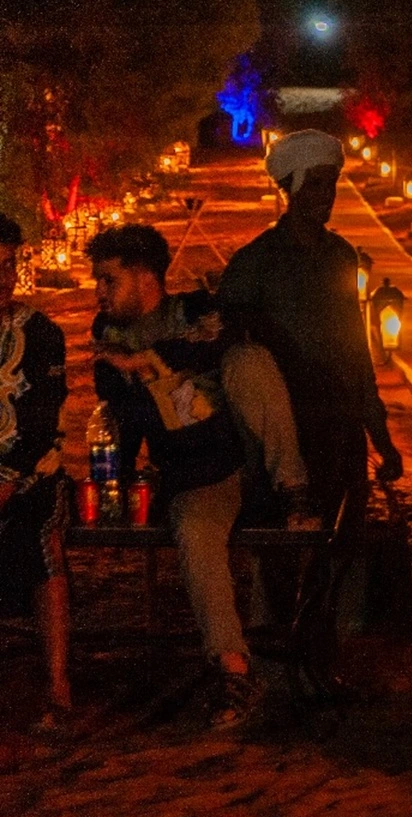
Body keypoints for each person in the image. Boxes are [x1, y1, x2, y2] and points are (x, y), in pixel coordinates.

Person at [88, 225, 272, 723]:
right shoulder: (108, 334)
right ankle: (234, 666)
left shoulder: (195, 313)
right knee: (194, 530)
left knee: (249, 364)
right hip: (193, 473)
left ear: (146, 276)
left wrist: (143, 362)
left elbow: (219, 342)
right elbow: (120, 413)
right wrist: (115, 486)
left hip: (244, 457)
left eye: (108, 279)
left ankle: (292, 491)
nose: (99, 292)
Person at [219, 130, 402, 525]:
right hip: (286, 427)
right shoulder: (253, 264)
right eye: (316, 183)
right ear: (292, 186)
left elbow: (355, 350)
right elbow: (234, 360)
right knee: (280, 543)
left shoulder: (340, 256)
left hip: (340, 427)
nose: (327, 194)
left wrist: (380, 436)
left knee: (340, 542)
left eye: (331, 183)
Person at [0, 213, 71, 714]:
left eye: (7, 266)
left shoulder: (40, 334)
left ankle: (57, 684)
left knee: (43, 540)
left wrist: (6, 480)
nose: (2, 280)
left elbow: (41, 422)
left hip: (31, 474)